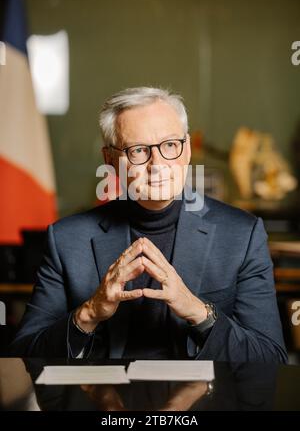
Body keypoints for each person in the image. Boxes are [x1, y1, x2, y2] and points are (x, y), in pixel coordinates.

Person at [11, 87, 287, 362]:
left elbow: (270, 359)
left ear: (187, 149)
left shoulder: (242, 234)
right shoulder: (68, 239)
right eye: (138, 150)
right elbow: (24, 357)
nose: (157, 165)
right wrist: (90, 312)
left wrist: (198, 312)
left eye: (169, 145)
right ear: (110, 160)